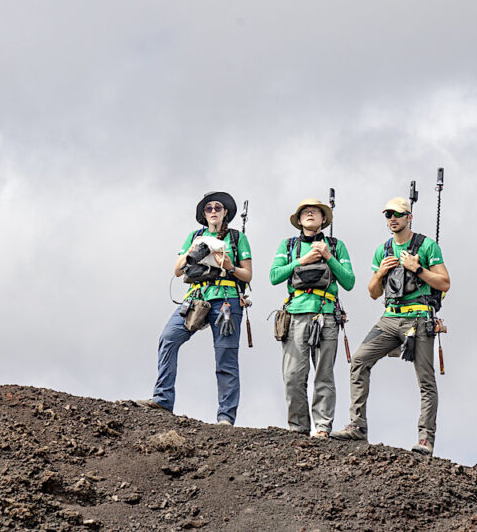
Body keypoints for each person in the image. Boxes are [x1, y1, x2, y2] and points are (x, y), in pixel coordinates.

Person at [331, 197, 450, 455]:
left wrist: (417, 268)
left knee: (425, 380)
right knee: (359, 361)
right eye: (388, 215)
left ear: (409, 217)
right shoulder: (382, 250)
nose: (392, 219)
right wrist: (379, 274)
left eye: (397, 214)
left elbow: (444, 283)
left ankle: (425, 439)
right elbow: (373, 293)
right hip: (389, 318)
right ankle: (357, 426)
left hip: (418, 319)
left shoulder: (427, 246)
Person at [137, 191, 253, 426]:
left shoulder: (236, 238)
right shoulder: (195, 236)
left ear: (225, 212)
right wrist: (193, 251)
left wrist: (229, 266)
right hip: (196, 297)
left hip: (227, 299)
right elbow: (177, 270)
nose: (213, 212)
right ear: (203, 214)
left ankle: (225, 417)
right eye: (208, 209)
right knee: (168, 338)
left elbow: (247, 274)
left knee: (225, 357)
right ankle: (163, 399)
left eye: (217, 208)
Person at [269, 198, 355, 438]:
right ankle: (298, 428)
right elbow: (274, 276)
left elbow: (349, 281)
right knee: (293, 376)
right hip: (295, 313)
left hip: (326, 314)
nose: (309, 214)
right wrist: (301, 261)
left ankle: (322, 427)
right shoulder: (288, 246)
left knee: (323, 374)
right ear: (298, 220)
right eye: (305, 212)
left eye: (315, 212)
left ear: (324, 219)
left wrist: (329, 257)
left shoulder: (336, 246)